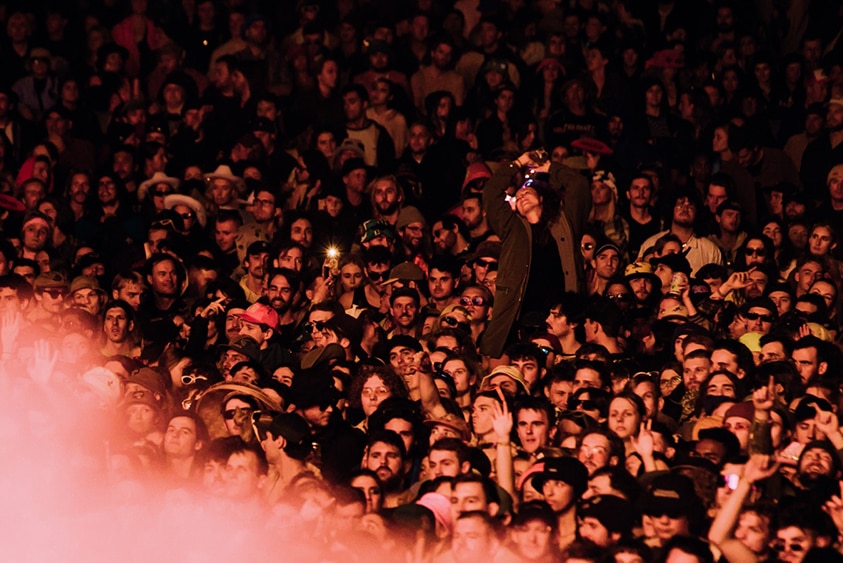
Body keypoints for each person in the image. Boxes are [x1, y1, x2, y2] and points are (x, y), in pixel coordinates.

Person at [481, 151, 579, 358]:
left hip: (561, 320)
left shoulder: (564, 224)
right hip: (520, 318)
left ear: (542, 197)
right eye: (517, 196)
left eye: (527, 192)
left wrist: (550, 168)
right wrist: (519, 162)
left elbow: (579, 187)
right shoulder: (513, 227)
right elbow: (491, 193)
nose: (521, 196)